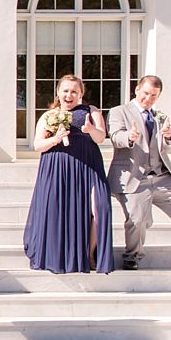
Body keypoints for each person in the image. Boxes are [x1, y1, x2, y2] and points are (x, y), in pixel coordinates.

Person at [107, 75, 171, 271]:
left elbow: (170, 149)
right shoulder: (118, 112)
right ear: (137, 90)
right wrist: (129, 137)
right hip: (134, 178)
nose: (148, 98)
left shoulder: (159, 116)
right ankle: (132, 256)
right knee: (137, 219)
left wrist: (168, 136)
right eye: (146, 93)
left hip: (161, 177)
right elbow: (115, 136)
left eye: (154, 95)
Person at [23, 75, 113, 274]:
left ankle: (89, 253)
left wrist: (90, 129)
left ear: (81, 94)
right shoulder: (48, 116)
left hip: (89, 166)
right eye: (65, 90)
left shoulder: (92, 111)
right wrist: (56, 138)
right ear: (58, 92)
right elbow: (38, 145)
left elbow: (100, 138)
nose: (69, 95)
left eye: (74, 91)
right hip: (58, 167)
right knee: (59, 209)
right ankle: (61, 255)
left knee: (101, 207)